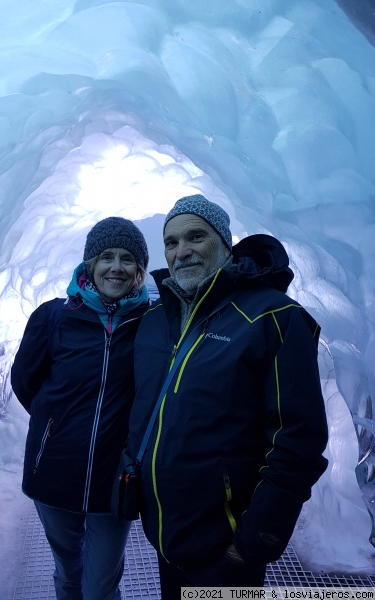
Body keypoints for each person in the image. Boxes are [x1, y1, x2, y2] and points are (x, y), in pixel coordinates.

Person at [126, 194, 328, 595]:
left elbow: (297, 441)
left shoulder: (272, 317)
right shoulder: (152, 320)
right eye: (171, 242)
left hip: (227, 551)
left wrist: (250, 544)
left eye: (195, 236)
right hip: (166, 538)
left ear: (224, 243)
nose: (181, 251)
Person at [11, 217, 149, 600]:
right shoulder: (54, 317)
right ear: (90, 264)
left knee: (101, 586)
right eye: (107, 256)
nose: (116, 267)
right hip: (54, 471)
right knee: (68, 574)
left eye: (127, 259)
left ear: (139, 271)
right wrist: (52, 426)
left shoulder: (149, 324)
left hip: (115, 480)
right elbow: (25, 382)